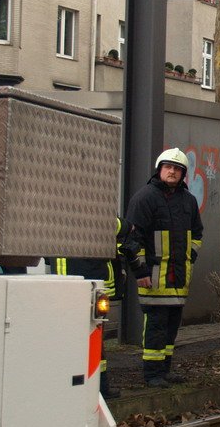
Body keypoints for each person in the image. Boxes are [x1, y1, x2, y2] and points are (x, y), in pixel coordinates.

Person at [124, 148, 204, 388]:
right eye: (168, 167)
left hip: (178, 279)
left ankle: (165, 370)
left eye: (177, 169)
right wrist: (140, 272)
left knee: (171, 329)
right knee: (156, 326)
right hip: (154, 277)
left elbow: (197, 234)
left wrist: (189, 257)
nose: (172, 172)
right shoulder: (145, 198)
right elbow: (131, 239)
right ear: (159, 170)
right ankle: (152, 374)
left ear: (183, 174)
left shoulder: (188, 200)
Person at [47, 217, 134, 399]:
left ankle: (75, 386)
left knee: (74, 337)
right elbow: (114, 225)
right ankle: (98, 387)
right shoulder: (90, 209)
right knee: (94, 336)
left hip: (64, 280)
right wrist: (126, 225)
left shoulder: (57, 210)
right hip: (88, 279)